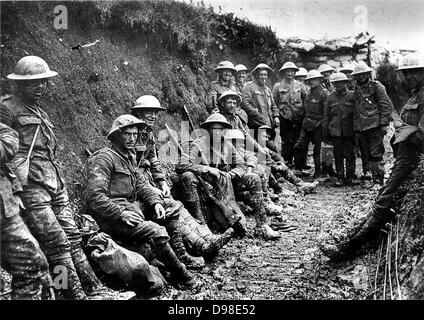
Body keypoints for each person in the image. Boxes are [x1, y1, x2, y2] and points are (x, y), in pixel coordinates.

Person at [0, 56, 105, 299]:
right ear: (18, 84)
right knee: (56, 243)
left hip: (54, 181)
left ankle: (94, 289)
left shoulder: (41, 112)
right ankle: (73, 294)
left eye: (43, 82)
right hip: (29, 184)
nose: (40, 87)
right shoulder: (6, 109)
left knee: (72, 236)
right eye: (32, 83)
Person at [320, 53, 424, 260]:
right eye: (406, 73)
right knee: (384, 193)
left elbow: (420, 135)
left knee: (385, 196)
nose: (409, 77)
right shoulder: (415, 94)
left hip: (410, 158)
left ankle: (350, 248)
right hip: (397, 152)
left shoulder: (389, 89)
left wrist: (403, 131)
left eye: (414, 72)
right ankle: (353, 238)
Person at [82, 114, 200, 289]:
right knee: (157, 231)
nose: (132, 138)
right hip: (111, 219)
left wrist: (155, 203)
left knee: (169, 207)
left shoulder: (128, 157)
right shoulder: (104, 159)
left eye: (134, 134)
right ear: (116, 136)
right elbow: (94, 197)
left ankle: (180, 254)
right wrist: (120, 213)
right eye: (127, 134)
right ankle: (183, 275)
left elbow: (141, 184)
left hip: (132, 210)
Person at [130, 95, 233, 263]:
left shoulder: (147, 135)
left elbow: (154, 162)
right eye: (148, 112)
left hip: (148, 183)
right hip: (136, 188)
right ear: (138, 113)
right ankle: (201, 246)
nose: (152, 116)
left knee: (179, 207)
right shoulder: (131, 134)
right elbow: (132, 171)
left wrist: (162, 182)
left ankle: (207, 237)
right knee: (172, 209)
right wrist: (152, 189)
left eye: (155, 113)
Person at [176, 110, 280, 240]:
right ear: (208, 130)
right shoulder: (198, 144)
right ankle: (202, 226)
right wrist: (206, 169)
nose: (218, 133)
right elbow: (181, 165)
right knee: (188, 177)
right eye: (214, 129)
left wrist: (229, 175)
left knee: (253, 178)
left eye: (221, 129)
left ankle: (262, 225)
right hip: (208, 186)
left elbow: (241, 165)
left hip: (227, 184)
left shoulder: (227, 144)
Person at [0, 122, 50, 300]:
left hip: (7, 209)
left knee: (37, 261)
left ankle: (71, 291)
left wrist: (16, 191)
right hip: (27, 202)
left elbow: (10, 139)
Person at [351, 61, 393, 186]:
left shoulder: (377, 86)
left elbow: (385, 106)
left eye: (362, 74)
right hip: (361, 127)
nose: (360, 77)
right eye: (357, 75)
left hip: (374, 126)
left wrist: (384, 124)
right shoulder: (356, 89)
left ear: (367, 74)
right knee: (366, 153)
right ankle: (372, 176)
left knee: (376, 154)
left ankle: (378, 181)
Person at [323, 72, 359, 186]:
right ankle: (340, 177)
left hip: (349, 131)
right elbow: (326, 117)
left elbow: (357, 115)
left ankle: (350, 176)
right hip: (336, 132)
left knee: (350, 155)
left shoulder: (352, 96)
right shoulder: (330, 98)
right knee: (338, 155)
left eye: (340, 83)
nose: (338, 85)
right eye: (335, 83)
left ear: (345, 83)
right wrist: (326, 133)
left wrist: (357, 130)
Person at [294, 70, 328, 178]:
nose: (312, 82)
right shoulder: (308, 93)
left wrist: (323, 125)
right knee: (299, 146)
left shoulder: (324, 93)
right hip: (307, 124)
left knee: (318, 149)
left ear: (319, 80)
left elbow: (326, 112)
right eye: (310, 80)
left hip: (318, 124)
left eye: (314, 79)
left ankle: (319, 171)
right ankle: (298, 169)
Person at [272, 61, 307, 165]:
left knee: (298, 141)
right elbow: (274, 103)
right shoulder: (277, 86)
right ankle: (286, 163)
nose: (290, 74)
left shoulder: (300, 85)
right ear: (284, 73)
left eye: (292, 71)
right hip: (284, 118)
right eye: (287, 71)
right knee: (286, 141)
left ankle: (299, 164)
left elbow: (305, 101)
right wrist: (277, 116)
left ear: (295, 73)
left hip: (298, 118)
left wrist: (304, 116)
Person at [241, 63, 280, 151]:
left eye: (265, 75)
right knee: (263, 148)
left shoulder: (267, 89)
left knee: (267, 149)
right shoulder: (249, 87)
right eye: (261, 74)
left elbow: (273, 105)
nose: (263, 77)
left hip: (268, 124)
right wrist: (257, 114)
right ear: (256, 75)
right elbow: (244, 103)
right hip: (255, 124)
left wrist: (276, 116)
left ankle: (270, 163)